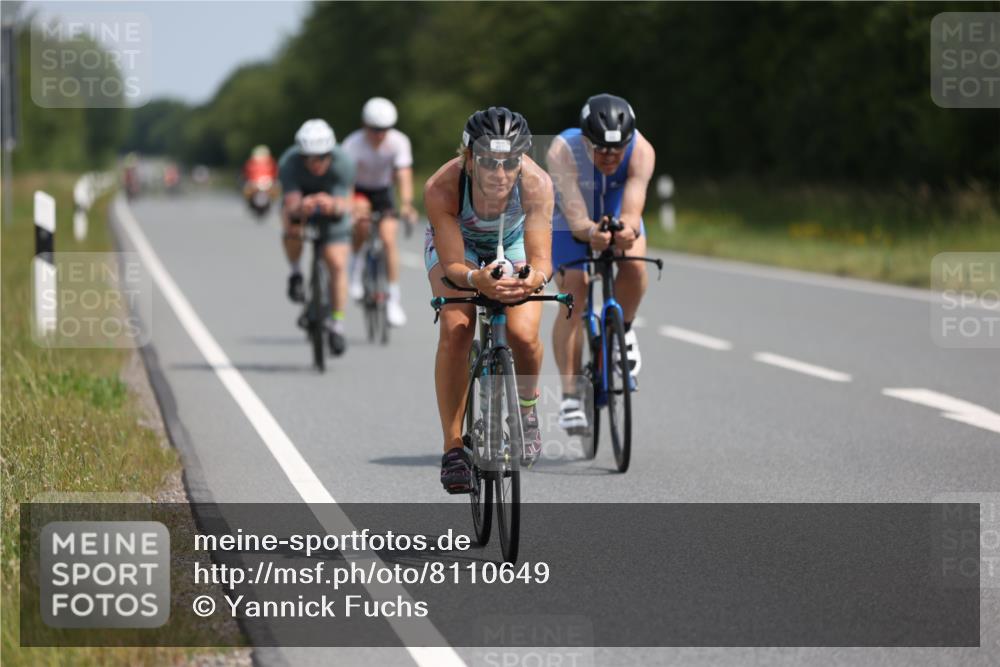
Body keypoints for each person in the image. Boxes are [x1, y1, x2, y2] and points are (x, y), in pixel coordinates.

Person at [424, 107, 554, 493]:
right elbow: (450, 265)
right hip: (458, 246)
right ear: (468, 158)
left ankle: (527, 413)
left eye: (509, 162)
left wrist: (533, 278)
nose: (499, 174)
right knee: (456, 325)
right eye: (488, 163)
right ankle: (452, 447)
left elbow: (542, 260)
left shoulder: (538, 183)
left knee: (524, 334)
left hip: (511, 242)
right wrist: (474, 278)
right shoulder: (442, 186)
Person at [547, 94, 655, 433]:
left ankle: (623, 328)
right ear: (585, 140)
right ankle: (569, 397)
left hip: (616, 202)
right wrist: (589, 231)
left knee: (634, 262)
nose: (609, 158)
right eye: (601, 150)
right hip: (570, 210)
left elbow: (634, 207)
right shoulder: (563, 150)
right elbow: (576, 216)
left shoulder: (642, 149)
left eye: (616, 150)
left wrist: (627, 230)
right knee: (574, 293)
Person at [278, 119, 357, 356]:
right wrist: (302, 205)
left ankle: (337, 324)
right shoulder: (289, 163)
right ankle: (295, 273)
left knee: (337, 262)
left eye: (322, 157)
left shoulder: (343, 162)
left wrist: (333, 205)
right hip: (301, 203)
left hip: (332, 204)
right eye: (310, 158)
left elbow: (347, 203)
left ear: (330, 154)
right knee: (291, 225)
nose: (316, 163)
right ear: (301, 156)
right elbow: (290, 204)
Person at [341, 97, 417, 327]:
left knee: (388, 239)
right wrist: (350, 207)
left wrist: (406, 204)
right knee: (362, 222)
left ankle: (393, 299)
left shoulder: (399, 142)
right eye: (375, 130)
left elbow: (403, 174)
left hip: (383, 191)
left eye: (384, 129)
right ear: (365, 126)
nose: (379, 135)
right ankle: (355, 267)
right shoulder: (352, 144)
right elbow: (347, 180)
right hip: (360, 190)